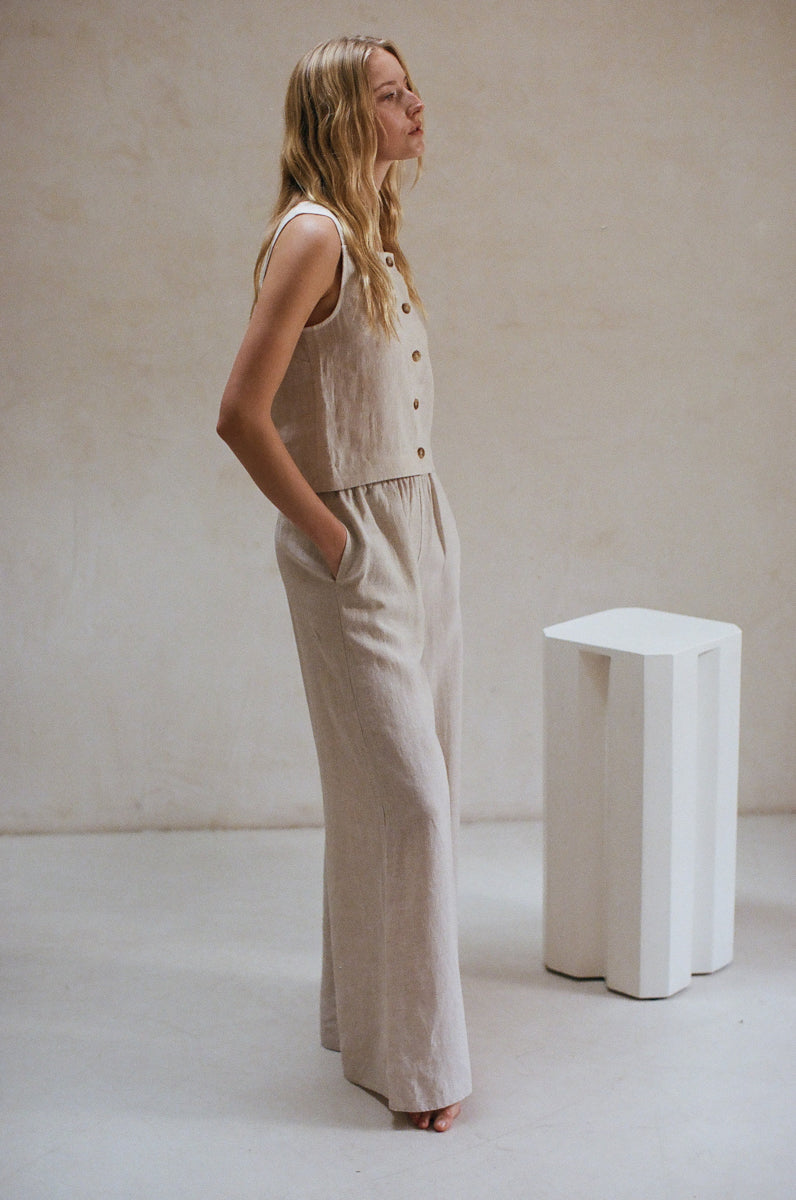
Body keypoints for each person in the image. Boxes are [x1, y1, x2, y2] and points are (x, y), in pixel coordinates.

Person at [217, 35, 470, 1133]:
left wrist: (406, 536)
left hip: (422, 533)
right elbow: (240, 412)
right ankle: (420, 1064)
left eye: (411, 88)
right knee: (410, 803)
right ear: (339, 114)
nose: (416, 105)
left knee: (401, 792)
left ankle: (361, 1019)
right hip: (355, 544)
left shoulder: (373, 235)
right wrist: (328, 535)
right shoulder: (314, 235)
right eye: (391, 93)